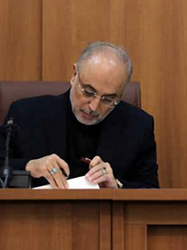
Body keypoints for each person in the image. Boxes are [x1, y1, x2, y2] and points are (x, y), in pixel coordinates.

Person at [0, 41, 159, 189]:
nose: (94, 107)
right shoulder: (26, 114)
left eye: (108, 99)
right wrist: (29, 166)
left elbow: (151, 195)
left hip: (105, 217)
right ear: (74, 75)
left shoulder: (138, 126)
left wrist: (117, 186)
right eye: (89, 92)